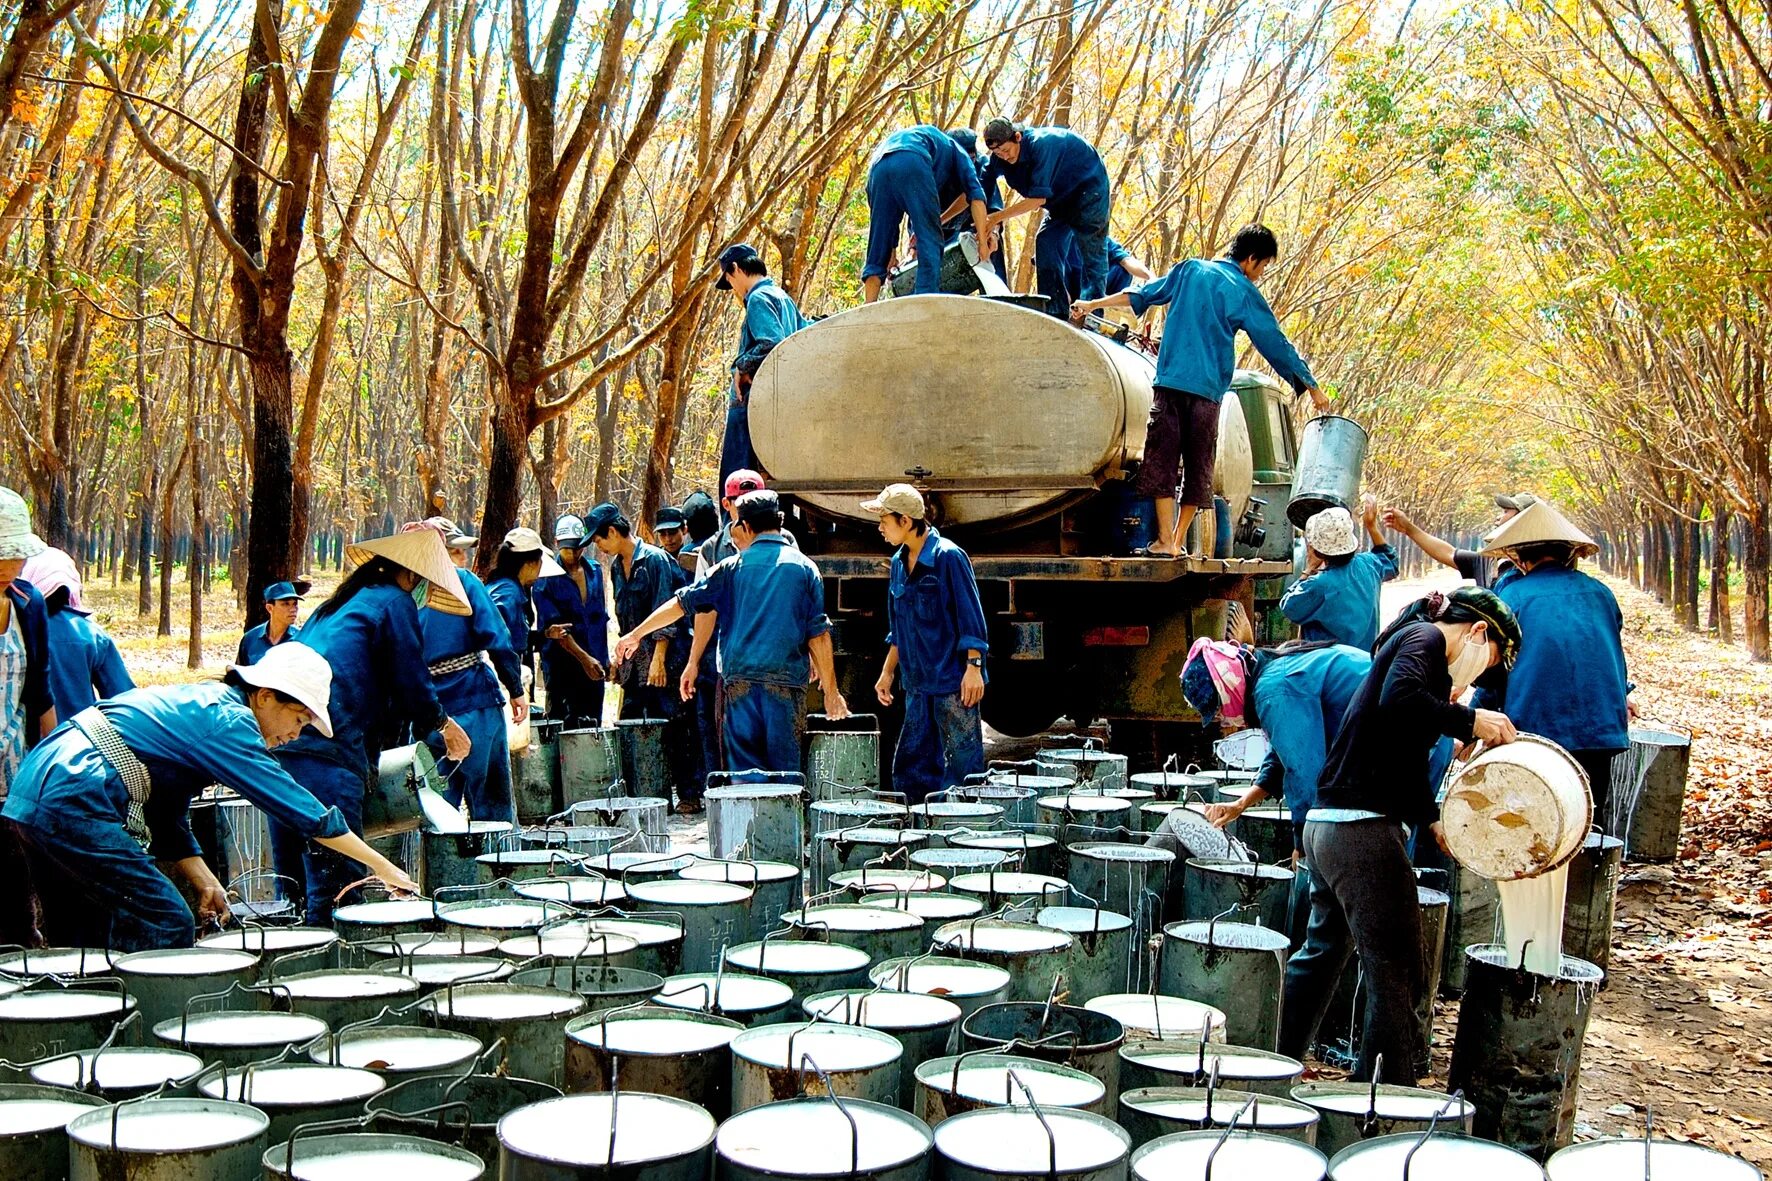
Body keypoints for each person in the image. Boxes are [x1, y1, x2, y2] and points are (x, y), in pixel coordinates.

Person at [4, 643, 417, 951]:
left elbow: (166, 815)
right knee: (165, 919)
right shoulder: (229, 722)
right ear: (265, 695)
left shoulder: (201, 708)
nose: (296, 734)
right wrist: (382, 866)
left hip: (37, 789)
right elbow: (304, 812)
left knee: (80, 932)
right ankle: (152, 1031)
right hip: (77, 791)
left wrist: (206, 881)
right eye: (298, 718)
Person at [1279, 587, 1521, 1084]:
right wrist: (1470, 719)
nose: (1478, 676)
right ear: (1478, 632)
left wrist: (1431, 817)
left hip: (1328, 829)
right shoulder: (1426, 638)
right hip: (1362, 833)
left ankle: (1276, 1062)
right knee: (1397, 966)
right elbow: (1402, 700)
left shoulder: (1412, 651)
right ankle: (1386, 1094)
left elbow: (1405, 752)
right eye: (1489, 660)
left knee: (1323, 954)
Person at [1070, 226, 1326, 558]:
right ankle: (1176, 540)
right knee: (1198, 467)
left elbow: (1143, 294)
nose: (1260, 274)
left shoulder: (1189, 269)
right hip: (1207, 393)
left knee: (1161, 462)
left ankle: (1164, 541)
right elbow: (1275, 343)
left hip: (1171, 384)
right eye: (1262, 267)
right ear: (1250, 260)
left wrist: (1092, 304)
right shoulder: (1244, 292)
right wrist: (1311, 386)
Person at [270, 530, 470, 925]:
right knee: (338, 888)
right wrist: (444, 725)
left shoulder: (334, 608)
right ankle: (335, 975)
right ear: (413, 577)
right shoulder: (394, 602)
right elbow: (411, 683)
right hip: (330, 750)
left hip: (283, 748)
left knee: (288, 888)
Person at [616, 491, 849, 774]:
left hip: (740, 690)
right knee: (786, 777)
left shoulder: (729, 568)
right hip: (786, 689)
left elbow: (681, 603)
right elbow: (819, 635)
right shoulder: (805, 568)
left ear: (747, 527)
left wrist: (636, 634)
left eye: (736, 525)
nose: (733, 533)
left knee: (744, 781)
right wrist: (831, 692)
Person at [1472, 500, 1630, 814]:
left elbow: (1494, 672)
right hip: (1602, 728)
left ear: (1519, 558)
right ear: (1567, 553)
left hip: (1538, 727)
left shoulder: (1513, 596)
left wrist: (1473, 718)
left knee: (1535, 818)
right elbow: (1605, 650)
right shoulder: (1601, 592)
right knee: (1586, 814)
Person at [1178, 637, 1374, 856]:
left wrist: (1302, 842)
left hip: (1392, 720)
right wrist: (1240, 805)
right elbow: (1282, 755)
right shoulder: (1274, 671)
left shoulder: (1274, 689)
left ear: (1227, 689)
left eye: (1218, 711)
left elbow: (1304, 770)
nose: (1222, 718)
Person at [863, 484, 989, 802]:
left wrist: (973, 667)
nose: (880, 528)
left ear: (905, 521)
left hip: (951, 684)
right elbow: (900, 627)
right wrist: (888, 672)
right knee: (912, 767)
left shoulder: (949, 557)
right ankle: (918, 830)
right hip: (917, 685)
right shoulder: (897, 564)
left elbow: (970, 616)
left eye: (884, 520)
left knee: (963, 769)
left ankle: (967, 832)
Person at [407, 519, 525, 824]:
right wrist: (516, 688)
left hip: (427, 710)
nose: (462, 558)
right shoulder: (464, 583)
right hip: (475, 703)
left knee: (435, 804)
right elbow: (496, 638)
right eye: (455, 551)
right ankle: (501, 863)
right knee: (491, 800)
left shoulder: (397, 598)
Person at [590, 503, 701, 812]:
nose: (597, 546)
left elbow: (669, 611)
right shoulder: (615, 567)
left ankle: (689, 793)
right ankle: (646, 794)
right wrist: (620, 658)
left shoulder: (656, 561)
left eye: (598, 539)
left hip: (663, 660)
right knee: (632, 725)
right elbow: (624, 618)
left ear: (612, 532)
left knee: (674, 724)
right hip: (635, 664)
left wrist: (660, 658)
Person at [975, 119, 1112, 322]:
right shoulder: (999, 159)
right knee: (1046, 243)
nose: (1004, 156)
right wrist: (982, 226)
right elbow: (980, 190)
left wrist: (996, 217)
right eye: (998, 153)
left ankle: (1092, 316)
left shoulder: (1043, 145)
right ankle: (1054, 310)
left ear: (1018, 138)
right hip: (1060, 202)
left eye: (1006, 150)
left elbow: (1037, 199)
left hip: (1088, 193)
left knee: (1092, 252)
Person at [0, 487, 56, 945]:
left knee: (16, 883)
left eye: (15, 557)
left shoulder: (28, 603)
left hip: (14, 770)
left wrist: (49, 766)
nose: (10, 568)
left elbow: (39, 690)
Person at [862, 126, 994, 302]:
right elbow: (976, 198)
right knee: (930, 241)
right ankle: (924, 303)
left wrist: (891, 250)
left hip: (877, 167)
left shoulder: (937, 144)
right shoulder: (961, 154)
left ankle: (868, 307)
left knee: (879, 247)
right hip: (913, 160)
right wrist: (983, 245)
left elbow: (964, 200)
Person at [715, 244, 807, 489]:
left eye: (729, 280)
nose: (733, 289)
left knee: (736, 476)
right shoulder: (782, 297)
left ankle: (734, 526)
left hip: (753, 401)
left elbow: (771, 342)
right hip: (780, 403)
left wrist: (742, 367)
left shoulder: (757, 298)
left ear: (735, 269)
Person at [22, 547, 133, 718]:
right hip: (80, 739)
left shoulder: (13, 630)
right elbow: (124, 700)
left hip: (22, 741)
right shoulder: (92, 634)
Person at [1279, 498, 1400, 651]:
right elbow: (1391, 561)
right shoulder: (1369, 564)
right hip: (1365, 664)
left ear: (1316, 550)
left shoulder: (1319, 585)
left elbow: (1289, 607)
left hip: (1329, 670)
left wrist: (1308, 569)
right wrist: (1371, 526)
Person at [532, 514, 610, 729]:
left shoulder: (594, 571)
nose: (573, 554)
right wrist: (584, 659)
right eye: (567, 549)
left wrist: (604, 658)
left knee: (593, 728)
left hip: (594, 665)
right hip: (562, 669)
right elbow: (557, 631)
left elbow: (600, 618)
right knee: (564, 729)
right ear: (557, 545)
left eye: (577, 548)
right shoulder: (545, 579)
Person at [1383, 493, 1535, 592]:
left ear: (1523, 520)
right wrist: (1409, 528)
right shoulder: (1487, 560)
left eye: (1506, 512)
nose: (1497, 518)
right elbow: (1448, 553)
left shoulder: (1536, 569)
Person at [486, 527, 565, 682]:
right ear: (530, 564)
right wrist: (513, 684)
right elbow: (495, 638)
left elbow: (512, 633)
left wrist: (545, 634)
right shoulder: (508, 592)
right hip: (497, 679)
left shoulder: (505, 586)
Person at [945, 128, 1006, 278]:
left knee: (992, 241)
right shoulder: (938, 166)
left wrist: (993, 232)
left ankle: (997, 297)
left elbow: (993, 210)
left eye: (971, 159)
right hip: (944, 231)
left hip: (976, 229)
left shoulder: (983, 166)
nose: (968, 165)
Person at [1065, 235, 1153, 303]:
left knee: (1122, 269)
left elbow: (1127, 260)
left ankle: (1105, 311)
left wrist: (1151, 277)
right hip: (1066, 288)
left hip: (1095, 295)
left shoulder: (1100, 239)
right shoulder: (1064, 235)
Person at [238, 581, 306, 665]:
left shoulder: (301, 640)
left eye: (295, 604)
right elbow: (239, 674)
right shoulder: (250, 639)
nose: (293, 609)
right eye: (285, 604)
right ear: (270, 608)